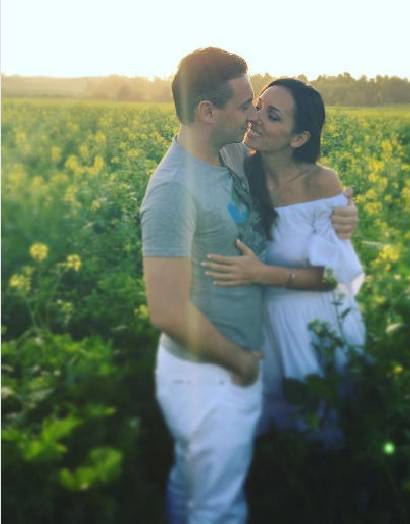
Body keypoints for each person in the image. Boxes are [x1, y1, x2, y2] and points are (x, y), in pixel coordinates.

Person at [140, 49, 358, 524]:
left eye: (258, 106)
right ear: (207, 111)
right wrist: (239, 362)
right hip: (210, 372)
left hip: (225, 363)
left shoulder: (232, 156)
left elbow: (294, 185)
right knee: (218, 508)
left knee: (193, 480)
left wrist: (340, 210)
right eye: (245, 106)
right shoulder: (173, 191)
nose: (252, 116)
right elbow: (167, 310)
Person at [201, 78, 366, 447]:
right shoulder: (240, 168)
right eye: (257, 106)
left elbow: (331, 277)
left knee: (321, 433)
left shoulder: (321, 183)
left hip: (313, 323)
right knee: (267, 442)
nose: (255, 117)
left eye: (272, 115)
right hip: (261, 323)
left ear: (299, 138)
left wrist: (261, 274)